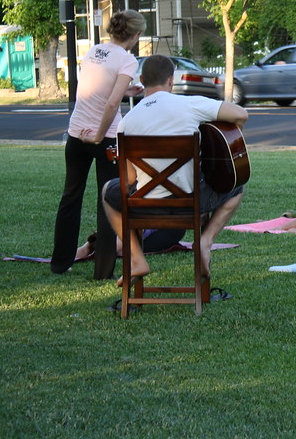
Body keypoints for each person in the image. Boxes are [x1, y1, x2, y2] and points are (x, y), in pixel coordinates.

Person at [101, 54, 249, 283]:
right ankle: (205, 240)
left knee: (108, 191)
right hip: (192, 204)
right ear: (171, 80)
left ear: (141, 80)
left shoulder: (126, 122)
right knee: (237, 187)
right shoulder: (188, 104)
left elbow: (129, 179)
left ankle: (137, 260)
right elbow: (241, 114)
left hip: (145, 208)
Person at [51, 10, 146, 278]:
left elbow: (95, 89)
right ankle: (102, 271)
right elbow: (112, 103)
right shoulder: (128, 60)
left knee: (71, 196)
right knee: (108, 201)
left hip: (75, 133)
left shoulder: (95, 51)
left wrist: (126, 89)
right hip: (104, 138)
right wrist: (97, 134)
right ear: (136, 35)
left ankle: (60, 263)